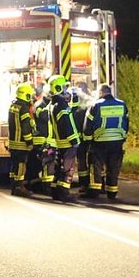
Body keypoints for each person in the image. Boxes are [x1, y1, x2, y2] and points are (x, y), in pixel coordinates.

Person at [82, 84, 129, 199]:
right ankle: (112, 191)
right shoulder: (122, 104)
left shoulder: (95, 105)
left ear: (100, 93)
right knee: (113, 167)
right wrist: (123, 137)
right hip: (117, 141)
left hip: (99, 141)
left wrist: (87, 142)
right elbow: (127, 122)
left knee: (96, 166)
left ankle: (95, 190)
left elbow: (87, 126)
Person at [47, 74, 81, 202]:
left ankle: (56, 191)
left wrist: (75, 98)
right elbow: (67, 124)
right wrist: (74, 141)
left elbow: (71, 112)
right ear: (58, 88)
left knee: (59, 168)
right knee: (68, 169)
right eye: (64, 88)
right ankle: (64, 193)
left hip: (60, 142)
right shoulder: (60, 106)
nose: (66, 90)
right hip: (67, 142)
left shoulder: (54, 104)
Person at [8, 82, 36, 196]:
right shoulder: (23, 108)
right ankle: (19, 187)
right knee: (21, 164)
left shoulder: (13, 105)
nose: (31, 98)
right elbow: (25, 126)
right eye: (30, 95)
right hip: (21, 142)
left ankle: (14, 185)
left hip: (13, 142)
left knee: (14, 164)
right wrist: (29, 142)